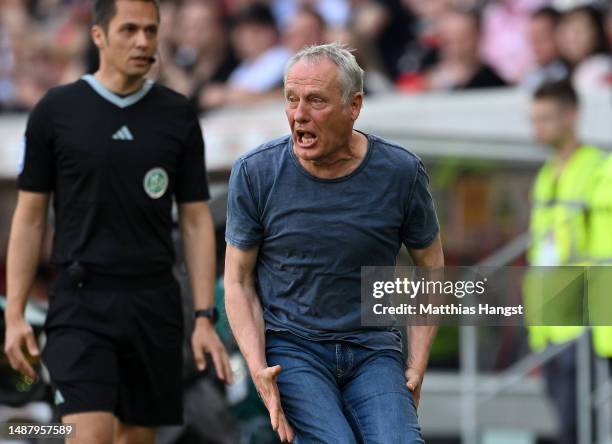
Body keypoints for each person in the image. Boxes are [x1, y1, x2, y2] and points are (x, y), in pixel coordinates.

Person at [3, 1, 232, 443]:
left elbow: (196, 221)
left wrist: (204, 316)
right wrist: (14, 314)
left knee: (133, 438)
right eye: (129, 30)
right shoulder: (56, 111)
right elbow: (29, 219)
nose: (143, 41)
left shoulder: (177, 114)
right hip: (80, 299)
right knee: (89, 434)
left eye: (151, 31)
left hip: (153, 300)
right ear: (99, 36)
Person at [224, 43, 443, 443]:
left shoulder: (401, 172)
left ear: (354, 105)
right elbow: (237, 281)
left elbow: (430, 267)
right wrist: (257, 367)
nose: (299, 115)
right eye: (291, 99)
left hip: (373, 347)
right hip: (293, 348)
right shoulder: (255, 173)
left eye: (316, 101)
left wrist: (418, 359)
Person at [524, 80, 603, 444]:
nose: (537, 128)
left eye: (546, 119)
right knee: (564, 423)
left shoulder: (598, 168)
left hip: (584, 317)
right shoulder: (544, 174)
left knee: (579, 424)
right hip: (549, 321)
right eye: (534, 119)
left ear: (572, 116)